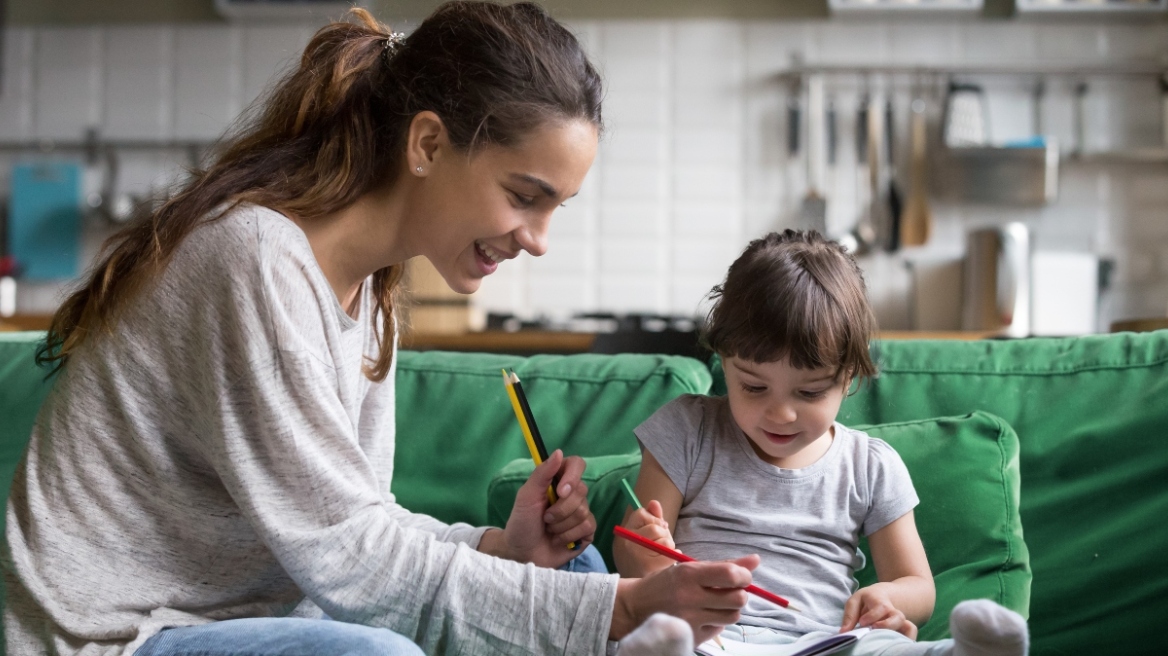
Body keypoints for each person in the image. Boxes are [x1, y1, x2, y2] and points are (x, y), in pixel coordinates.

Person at [2, 3, 760, 655]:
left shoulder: (369, 292)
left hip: (261, 619)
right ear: (427, 145)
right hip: (122, 636)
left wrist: (503, 546)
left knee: (574, 570)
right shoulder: (255, 259)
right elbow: (349, 559)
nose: (538, 240)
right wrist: (621, 609)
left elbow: (361, 523)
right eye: (524, 196)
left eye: (554, 208)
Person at [613, 231, 1031, 656]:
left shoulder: (870, 465)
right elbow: (633, 559)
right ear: (726, 362)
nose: (781, 414)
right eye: (754, 387)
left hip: (823, 644)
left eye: (809, 393)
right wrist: (645, 558)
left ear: (848, 378)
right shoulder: (688, 429)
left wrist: (889, 598)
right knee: (666, 636)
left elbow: (918, 587)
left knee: (886, 647)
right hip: (707, 637)